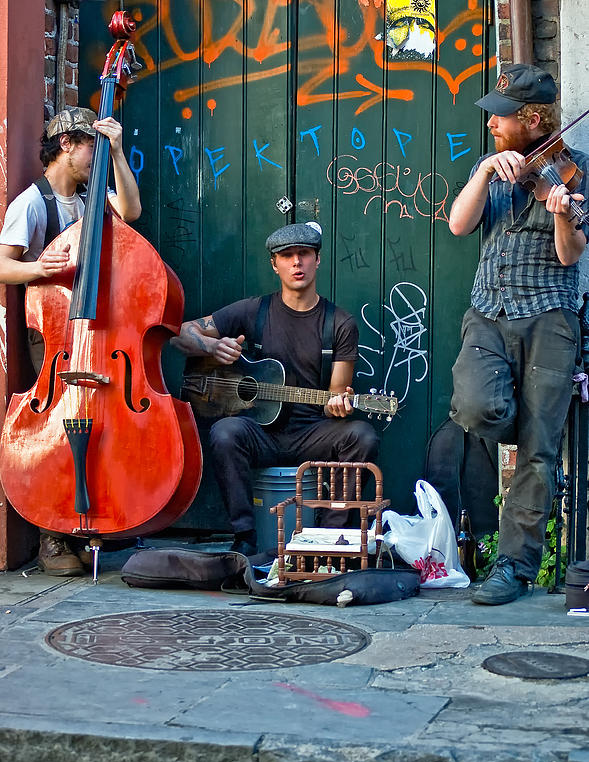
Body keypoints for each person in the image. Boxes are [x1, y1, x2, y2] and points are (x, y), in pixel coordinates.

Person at [448, 63, 589, 605]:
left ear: (533, 120)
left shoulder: (574, 173)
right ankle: (517, 422)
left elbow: (570, 254)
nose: (492, 125)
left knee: (538, 452)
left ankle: (513, 567)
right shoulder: (492, 166)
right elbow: (460, 224)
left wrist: (560, 215)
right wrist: (483, 172)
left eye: (501, 118)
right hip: (488, 313)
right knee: (478, 405)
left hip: (549, 320)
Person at [172, 222, 380, 556]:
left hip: (312, 431)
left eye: (304, 254)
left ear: (318, 260)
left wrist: (338, 403)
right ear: (275, 264)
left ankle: (326, 539)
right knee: (226, 432)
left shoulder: (339, 323)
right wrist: (211, 348)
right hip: (260, 433)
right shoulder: (254, 311)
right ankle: (244, 537)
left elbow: (336, 394)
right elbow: (181, 333)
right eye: (287, 256)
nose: (296, 263)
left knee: (362, 436)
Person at [0, 106, 142, 576]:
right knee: (60, 430)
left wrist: (117, 152)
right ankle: (53, 537)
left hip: (99, 331)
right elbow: (3, 264)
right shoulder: (32, 203)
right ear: (67, 145)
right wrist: (38, 269)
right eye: (92, 148)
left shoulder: (90, 197)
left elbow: (132, 210)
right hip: (55, 332)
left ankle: (93, 522)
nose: (94, 159)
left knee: (101, 426)